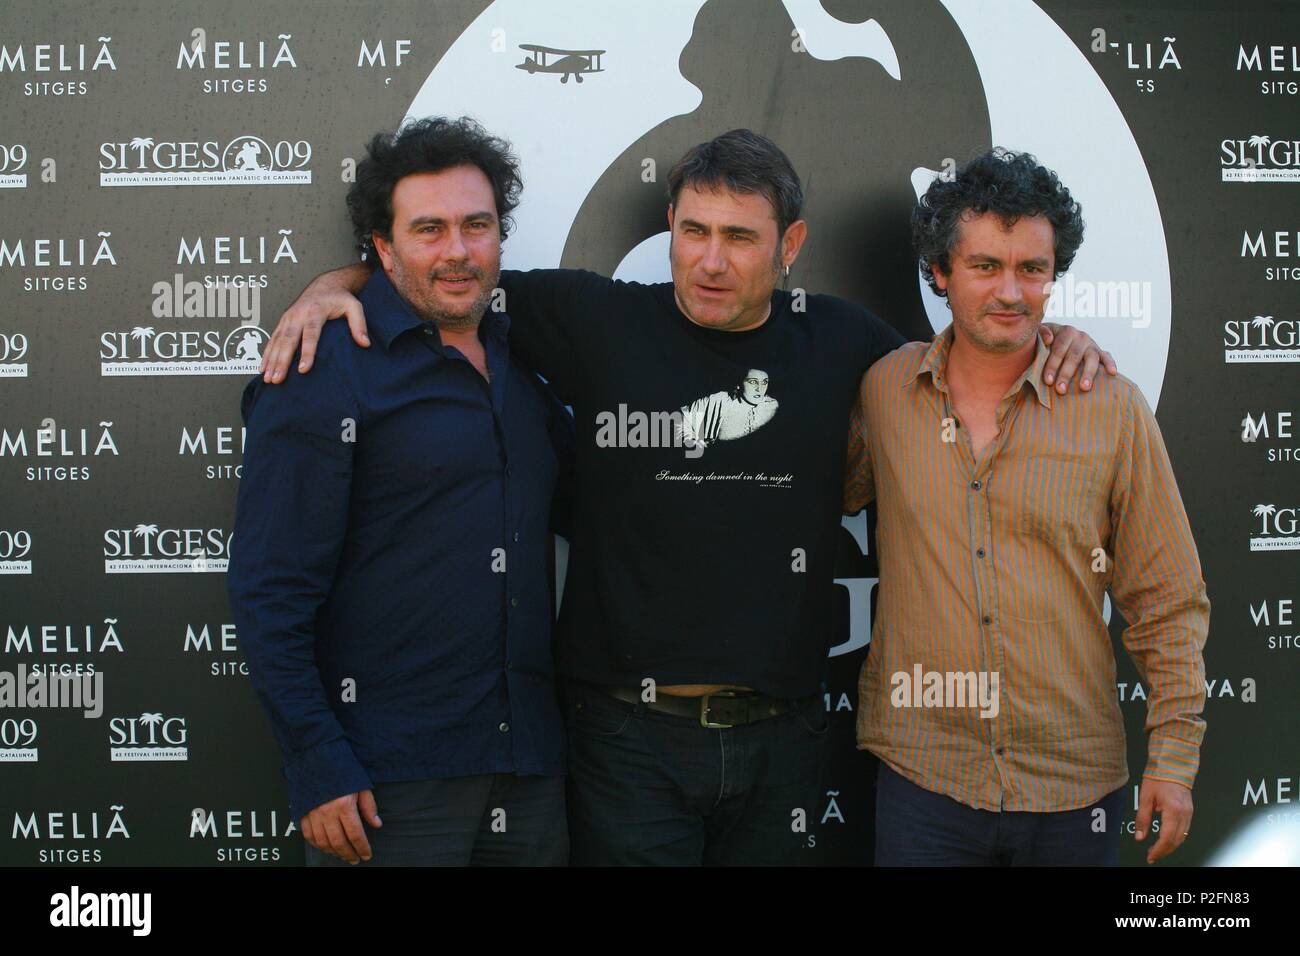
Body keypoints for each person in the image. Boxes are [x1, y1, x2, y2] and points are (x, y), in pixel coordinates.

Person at [259, 128, 1113, 866]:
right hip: (623, 740)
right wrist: (336, 286)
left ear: (791, 244)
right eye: (693, 230)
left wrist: (1052, 333)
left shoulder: (843, 339)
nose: (710, 259)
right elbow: (447, 274)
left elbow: (962, 367)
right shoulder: (590, 318)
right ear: (669, 224)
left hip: (785, 740)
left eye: (740, 237)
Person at [843, 149, 1209, 866]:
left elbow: (1168, 598)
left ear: (1053, 276)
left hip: (1073, 792)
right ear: (941, 273)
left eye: (1031, 270)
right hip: (925, 780)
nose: (1010, 291)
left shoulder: (1110, 409)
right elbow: (807, 491)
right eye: (985, 266)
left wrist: (1173, 758)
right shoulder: (885, 392)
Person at [227, 117, 573, 867]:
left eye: (476, 225)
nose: (457, 250)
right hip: (386, 785)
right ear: (382, 249)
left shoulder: (524, 369)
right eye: (429, 229)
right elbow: (268, 590)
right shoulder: (325, 369)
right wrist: (317, 763)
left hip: (530, 771)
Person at [678, 367, 778, 452]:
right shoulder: (719, 400)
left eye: (764, 382)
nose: (759, 389)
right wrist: (692, 440)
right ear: (739, 384)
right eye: (753, 382)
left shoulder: (771, 406)